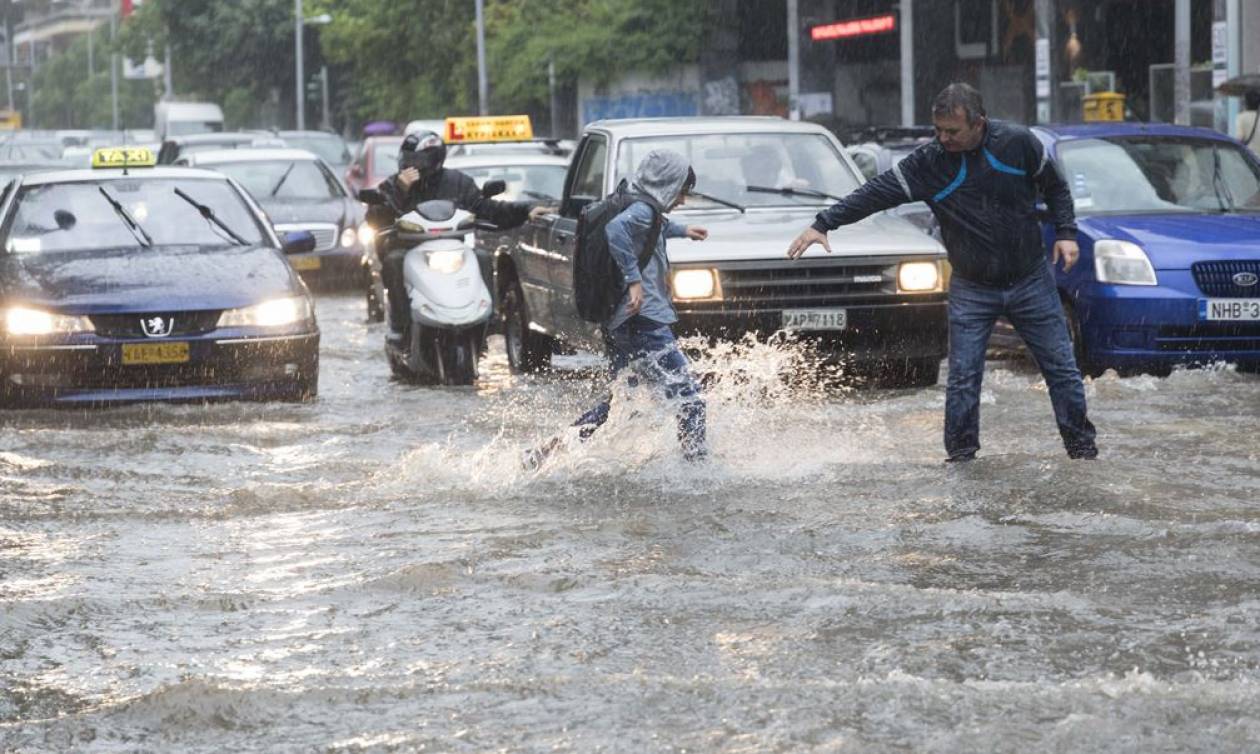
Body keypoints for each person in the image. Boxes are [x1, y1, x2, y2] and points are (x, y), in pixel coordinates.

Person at [787, 82, 1098, 462]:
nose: (943, 138)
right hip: (972, 285)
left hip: (1030, 279)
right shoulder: (930, 163)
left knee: (1062, 370)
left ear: (979, 123)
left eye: (952, 131)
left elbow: (1056, 188)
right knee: (963, 379)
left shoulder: (1018, 143)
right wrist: (824, 223)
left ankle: (1082, 453)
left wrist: (1066, 232)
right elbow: (876, 192)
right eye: (938, 130)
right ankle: (962, 460)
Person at [527, 150, 711, 467]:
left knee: (620, 401)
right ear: (667, 184)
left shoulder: (638, 204)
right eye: (681, 191)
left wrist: (683, 230)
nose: (682, 199)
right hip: (643, 320)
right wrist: (634, 279)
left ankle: (548, 451)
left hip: (621, 321)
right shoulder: (641, 209)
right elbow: (617, 231)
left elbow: (652, 227)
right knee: (690, 400)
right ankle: (697, 467)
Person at [369, 130, 553, 330]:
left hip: (453, 251)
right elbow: (375, 217)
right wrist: (399, 190)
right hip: (409, 250)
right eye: (407, 160)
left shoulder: (458, 183)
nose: (410, 166)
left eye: (417, 160)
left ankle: (487, 322)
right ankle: (400, 325)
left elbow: (489, 209)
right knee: (394, 261)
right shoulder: (394, 184)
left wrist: (527, 209)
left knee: (481, 257)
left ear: (433, 160)